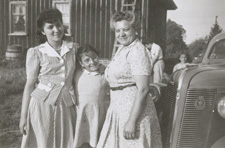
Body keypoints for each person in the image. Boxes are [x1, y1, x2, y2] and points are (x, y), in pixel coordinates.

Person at [97, 11, 162, 148]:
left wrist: (132, 121)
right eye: (117, 30)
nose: (121, 34)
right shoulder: (123, 48)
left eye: (126, 29)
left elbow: (143, 89)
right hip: (118, 110)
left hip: (134, 113)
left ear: (136, 30)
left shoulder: (137, 51)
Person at [19, 8, 79, 148]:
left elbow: (86, 69)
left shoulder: (74, 49)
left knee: (66, 141)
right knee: (43, 140)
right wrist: (23, 117)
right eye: (50, 27)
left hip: (66, 105)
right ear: (42, 31)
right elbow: (29, 85)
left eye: (58, 25)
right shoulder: (37, 52)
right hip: (41, 105)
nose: (56, 30)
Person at [74, 45, 109, 148]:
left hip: (97, 113)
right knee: (81, 138)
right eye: (87, 60)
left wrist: (105, 68)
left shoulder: (105, 74)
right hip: (81, 112)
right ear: (81, 64)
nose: (92, 62)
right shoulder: (77, 73)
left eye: (94, 57)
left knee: (96, 139)